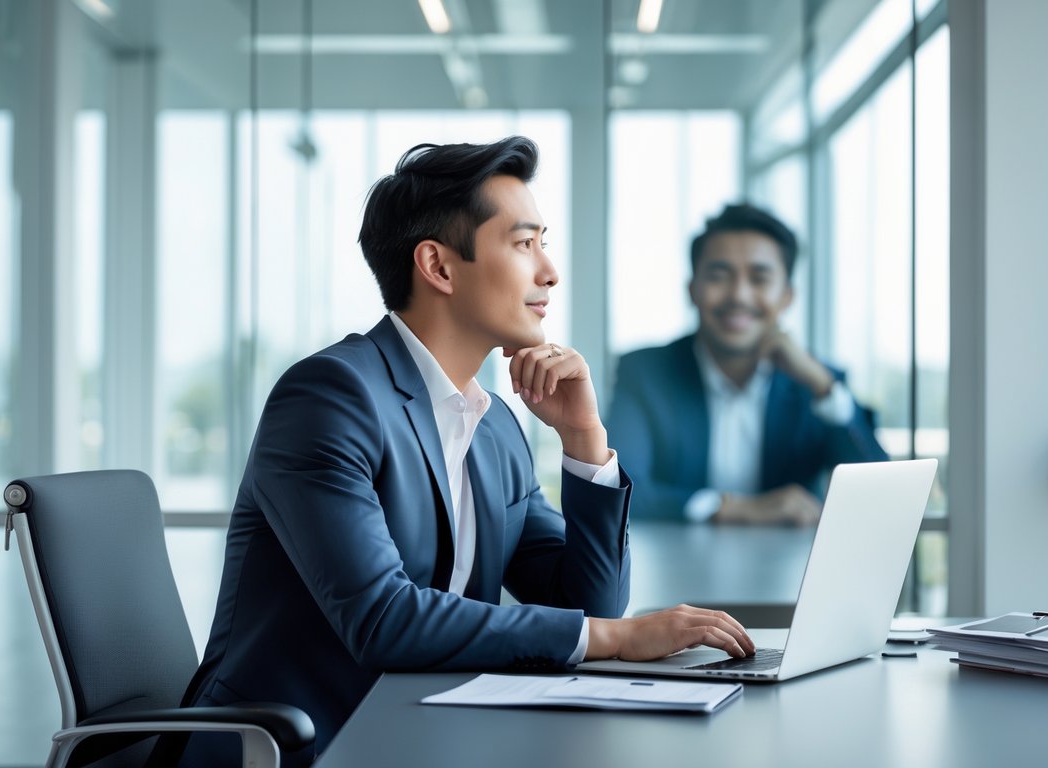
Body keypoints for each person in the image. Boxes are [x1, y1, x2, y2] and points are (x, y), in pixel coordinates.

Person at [183, 137, 755, 765]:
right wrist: (617, 636)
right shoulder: (330, 397)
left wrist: (584, 439)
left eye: (544, 243)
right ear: (440, 267)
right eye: (523, 244)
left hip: (428, 733)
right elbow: (384, 619)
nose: (549, 271)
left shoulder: (495, 428)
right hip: (304, 744)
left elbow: (588, 605)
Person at [607, 203, 888, 526]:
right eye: (718, 276)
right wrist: (732, 508)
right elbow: (618, 491)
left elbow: (879, 495)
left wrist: (823, 386)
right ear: (693, 290)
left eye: (759, 278)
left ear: (787, 297)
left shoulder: (817, 382)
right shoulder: (645, 373)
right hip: (671, 570)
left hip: (793, 574)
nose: (739, 295)